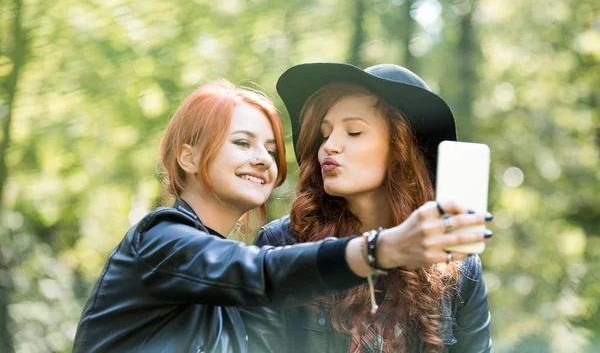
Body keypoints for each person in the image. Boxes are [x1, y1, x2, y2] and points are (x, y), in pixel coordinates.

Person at [73, 79, 487, 353]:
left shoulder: (458, 268)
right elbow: (262, 273)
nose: (263, 160)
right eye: (242, 142)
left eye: (271, 150)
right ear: (188, 155)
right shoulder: (160, 241)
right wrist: (382, 249)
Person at [252, 63, 493, 353]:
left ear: (400, 149)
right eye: (324, 134)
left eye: (353, 132)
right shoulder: (280, 245)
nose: (330, 146)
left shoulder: (458, 266)